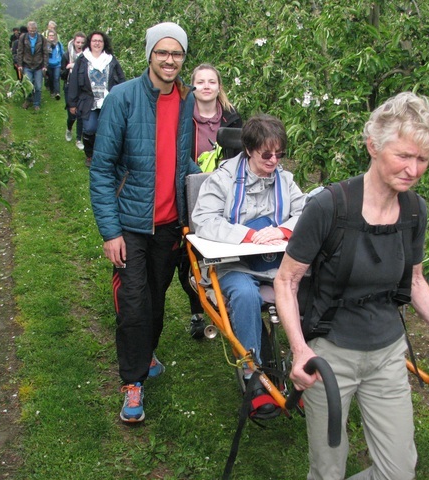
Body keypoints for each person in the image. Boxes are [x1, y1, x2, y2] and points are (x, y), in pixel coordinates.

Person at [274, 92, 429, 480]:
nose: (414, 169)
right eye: (404, 155)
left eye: (422, 159)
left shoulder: (414, 210)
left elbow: (415, 279)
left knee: (398, 472)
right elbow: (287, 280)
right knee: (328, 469)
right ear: (373, 146)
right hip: (330, 357)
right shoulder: (330, 207)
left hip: (387, 354)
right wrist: (299, 351)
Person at [89, 22, 200, 423]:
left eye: (177, 53)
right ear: (149, 54)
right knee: (134, 305)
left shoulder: (186, 101)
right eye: (162, 52)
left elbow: (180, 158)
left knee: (154, 303)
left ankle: (145, 353)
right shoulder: (123, 98)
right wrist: (111, 231)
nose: (170, 60)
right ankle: (132, 383)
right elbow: (102, 169)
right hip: (132, 224)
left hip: (169, 224)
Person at [191, 114, 305, 416]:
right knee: (244, 296)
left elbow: (306, 212)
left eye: (279, 154)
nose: (273, 160)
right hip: (235, 264)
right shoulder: (223, 179)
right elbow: (203, 220)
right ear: (249, 149)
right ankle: (251, 371)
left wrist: (282, 231)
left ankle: (302, 366)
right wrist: (249, 235)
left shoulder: (285, 180)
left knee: (310, 288)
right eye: (267, 154)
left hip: (276, 264)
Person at [182, 63, 243, 339]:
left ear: (219, 87)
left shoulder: (232, 119)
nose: (206, 86)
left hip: (227, 192)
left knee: (223, 248)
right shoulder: (183, 118)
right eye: (200, 82)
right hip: (191, 190)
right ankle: (197, 311)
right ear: (192, 86)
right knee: (190, 254)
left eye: (211, 82)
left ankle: (226, 302)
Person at [68, 31, 125, 167]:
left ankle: (106, 155)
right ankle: (90, 154)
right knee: (89, 129)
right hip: (89, 101)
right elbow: (74, 81)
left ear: (104, 43)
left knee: (108, 130)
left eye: (100, 41)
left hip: (108, 101)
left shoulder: (111, 60)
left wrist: (123, 98)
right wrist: (72, 103)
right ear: (90, 42)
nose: (97, 43)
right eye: (94, 41)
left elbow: (121, 79)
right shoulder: (83, 59)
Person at [61, 31, 86, 149]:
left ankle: (78, 139)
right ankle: (69, 128)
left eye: (82, 42)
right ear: (74, 42)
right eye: (78, 42)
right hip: (69, 86)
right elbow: (61, 75)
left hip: (82, 88)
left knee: (81, 114)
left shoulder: (87, 56)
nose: (80, 44)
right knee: (72, 115)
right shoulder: (66, 56)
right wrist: (68, 68)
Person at [16, 21, 48, 111]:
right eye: (31, 30)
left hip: (38, 65)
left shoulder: (41, 38)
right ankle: (28, 100)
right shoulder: (23, 38)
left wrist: (45, 65)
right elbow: (20, 52)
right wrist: (20, 65)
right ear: (28, 29)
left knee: (38, 86)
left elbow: (45, 53)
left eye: (34, 30)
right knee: (28, 85)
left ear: (36, 29)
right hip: (27, 64)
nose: (32, 32)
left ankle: (36, 103)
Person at [45, 31, 64, 100]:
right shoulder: (45, 45)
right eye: (50, 35)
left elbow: (62, 53)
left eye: (53, 35)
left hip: (57, 64)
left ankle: (57, 92)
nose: (51, 36)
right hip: (49, 64)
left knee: (56, 78)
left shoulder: (59, 44)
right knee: (50, 78)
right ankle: (52, 91)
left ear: (55, 36)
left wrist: (62, 62)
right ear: (48, 36)